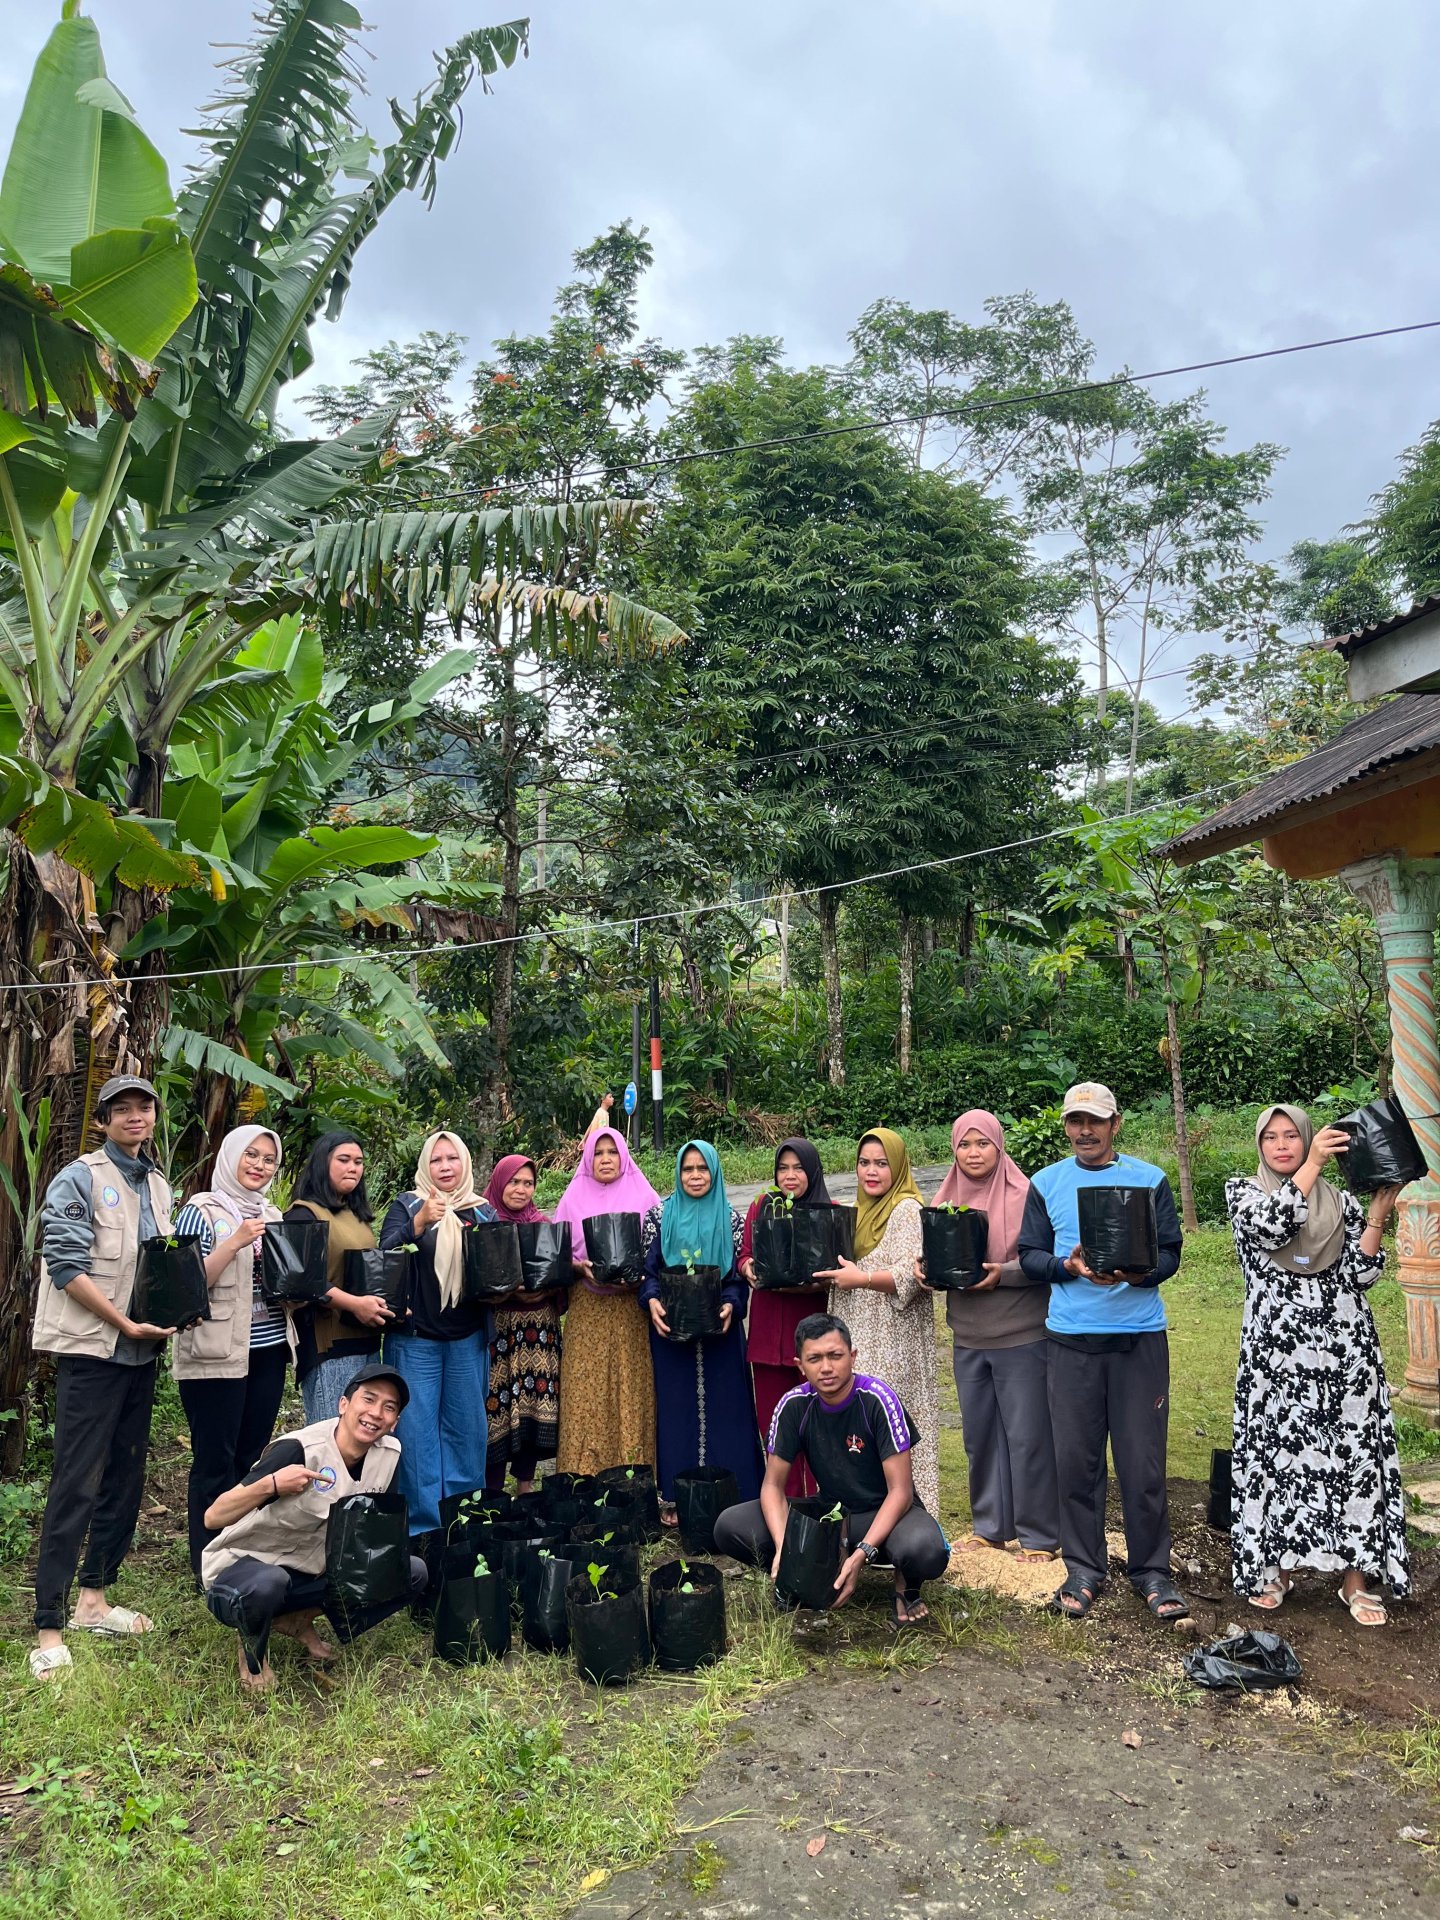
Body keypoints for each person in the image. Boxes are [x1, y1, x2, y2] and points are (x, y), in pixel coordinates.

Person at [1226, 1105, 1410, 1626]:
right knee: (1280, 1458)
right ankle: (1279, 1569)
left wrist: (1377, 1213)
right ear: (1260, 1145)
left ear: (1306, 1138)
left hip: (1344, 1349)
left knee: (1353, 1459)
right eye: (1271, 1137)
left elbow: (1361, 1274)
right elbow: (1272, 1227)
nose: (1282, 1145)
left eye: (1293, 1136)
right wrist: (1314, 1164)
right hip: (1277, 1356)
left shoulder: (1340, 1202)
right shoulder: (1245, 1193)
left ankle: (1356, 1579)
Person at [1017, 1081, 1187, 1623]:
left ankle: (1152, 1572)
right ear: (1067, 1127)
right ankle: (1084, 1568)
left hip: (1139, 1342)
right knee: (1077, 1462)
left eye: (1095, 1120)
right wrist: (1066, 1267)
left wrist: (1139, 1274)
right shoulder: (1046, 1183)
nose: (1085, 1130)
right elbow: (1029, 1255)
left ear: (1116, 1124)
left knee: (1143, 1463)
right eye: (1076, 1121)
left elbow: (1170, 1253)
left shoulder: (1149, 1179)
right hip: (1071, 1343)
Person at [28, 1076, 177, 1681]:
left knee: (124, 1478)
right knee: (76, 1482)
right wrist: (125, 1323)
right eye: (122, 1109)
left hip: (141, 1356)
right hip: (94, 1353)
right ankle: (48, 1627)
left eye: (144, 1107)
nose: (135, 1116)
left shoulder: (159, 1184)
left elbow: (161, 1265)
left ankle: (94, 1599)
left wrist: (171, 1314)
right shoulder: (81, 1178)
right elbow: (65, 1266)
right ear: (103, 1120)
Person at [714, 1312, 949, 1629]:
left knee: (925, 1550)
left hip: (888, 1513)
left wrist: (861, 1554)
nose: (826, 1367)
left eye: (835, 1356)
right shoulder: (793, 1405)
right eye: (815, 1359)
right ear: (800, 1365)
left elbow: (901, 1492)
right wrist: (786, 1549)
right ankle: (808, 1575)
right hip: (831, 1516)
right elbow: (772, 1487)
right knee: (730, 1525)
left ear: (852, 1356)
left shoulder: (878, 1400)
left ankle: (905, 1586)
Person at [200, 1364, 426, 1692]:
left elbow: (375, 1539)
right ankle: (251, 1649)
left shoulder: (389, 1456)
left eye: (388, 1407)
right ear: (343, 1404)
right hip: (244, 1571)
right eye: (368, 1399)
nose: (376, 1413)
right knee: (269, 1583)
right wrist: (272, 1484)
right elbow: (214, 1517)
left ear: (395, 1422)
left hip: (310, 1570)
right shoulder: (299, 1450)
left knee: (411, 1571)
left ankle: (297, 1619)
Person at [924, 1110, 1057, 1562]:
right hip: (968, 1336)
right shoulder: (945, 1199)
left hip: (1022, 1334)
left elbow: (1043, 1261)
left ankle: (1039, 1535)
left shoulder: (1025, 1195)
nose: (973, 1153)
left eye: (983, 1143)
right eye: (964, 1144)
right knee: (980, 1436)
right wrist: (927, 1270)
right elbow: (935, 1257)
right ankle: (990, 1527)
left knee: (1028, 1437)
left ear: (999, 1147)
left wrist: (1004, 1273)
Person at [172, 1125, 292, 1582]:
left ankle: (238, 1552)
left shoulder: (273, 1214)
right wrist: (235, 1241)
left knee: (251, 1458)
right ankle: (206, 1562)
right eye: (251, 1155)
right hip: (215, 1353)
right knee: (214, 1461)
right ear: (231, 1156)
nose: (260, 1165)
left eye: (269, 1159)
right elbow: (184, 1286)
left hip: (268, 1350)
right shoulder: (200, 1211)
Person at [814, 1128, 938, 1515]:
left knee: (888, 1426)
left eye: (882, 1164)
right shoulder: (856, 1211)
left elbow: (910, 1275)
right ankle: (863, 1516)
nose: (871, 1171)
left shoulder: (907, 1210)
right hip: (855, 1328)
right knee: (857, 1427)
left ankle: (909, 1522)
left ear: (898, 1167)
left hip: (893, 1337)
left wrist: (862, 1278)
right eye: (864, 1163)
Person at [378, 1132, 491, 1554]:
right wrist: (420, 1222)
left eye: (452, 1158)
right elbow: (384, 1253)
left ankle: (464, 1528)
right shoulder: (408, 1205)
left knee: (467, 1435)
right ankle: (424, 1537)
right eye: (437, 1159)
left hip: (466, 1340)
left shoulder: (481, 1211)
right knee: (418, 1440)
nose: (445, 1166)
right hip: (416, 1342)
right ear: (426, 1165)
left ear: (465, 1163)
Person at [640, 1140, 763, 1511]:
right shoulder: (659, 1217)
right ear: (678, 1173)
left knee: (730, 1410)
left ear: (715, 1172)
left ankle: (738, 1496)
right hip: (671, 1332)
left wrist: (731, 1305)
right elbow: (648, 1273)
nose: (695, 1176)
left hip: (721, 1333)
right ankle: (678, 1498)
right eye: (687, 1169)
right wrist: (653, 1301)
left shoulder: (731, 1220)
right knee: (675, 1411)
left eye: (702, 1168)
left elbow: (737, 1278)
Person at [552, 1121, 660, 1476]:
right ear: (588, 1158)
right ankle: (582, 1477)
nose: (606, 1158)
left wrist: (642, 1276)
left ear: (624, 1156)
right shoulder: (572, 1199)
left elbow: (659, 1249)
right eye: (598, 1153)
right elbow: (557, 1254)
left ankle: (633, 1475)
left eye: (613, 1151)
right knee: (586, 1390)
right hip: (589, 1308)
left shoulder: (644, 1196)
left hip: (631, 1311)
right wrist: (580, 1268)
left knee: (630, 1388)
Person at [738, 1137, 833, 1498]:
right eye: (783, 1168)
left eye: (798, 1168)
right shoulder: (762, 1206)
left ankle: (820, 1505)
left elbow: (835, 1270)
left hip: (812, 1336)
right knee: (776, 1425)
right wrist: (747, 1267)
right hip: (767, 1338)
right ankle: (785, 1503)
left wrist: (814, 1282)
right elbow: (745, 1254)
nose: (789, 1176)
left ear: (813, 1171)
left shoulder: (828, 1211)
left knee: (818, 1423)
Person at [287, 1131, 391, 1422]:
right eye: (343, 1160)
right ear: (323, 1163)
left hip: (366, 1340)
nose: (353, 1168)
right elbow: (302, 1280)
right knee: (331, 1435)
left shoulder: (355, 1214)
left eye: (358, 1162)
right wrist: (355, 1304)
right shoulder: (303, 1214)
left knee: (361, 1433)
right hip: (328, 1345)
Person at [482, 1154, 563, 1494]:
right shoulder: (484, 1224)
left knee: (532, 1402)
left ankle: (526, 1486)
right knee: (496, 1407)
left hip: (539, 1329)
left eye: (528, 1183)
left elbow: (559, 1274)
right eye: (514, 1181)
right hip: (500, 1329)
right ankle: (493, 1490)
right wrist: (507, 1292)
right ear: (500, 1182)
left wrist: (548, 1289)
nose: (521, 1189)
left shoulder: (542, 1224)